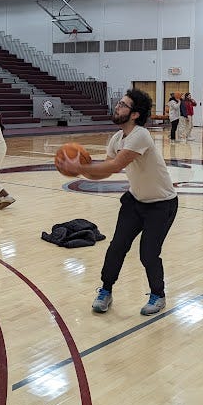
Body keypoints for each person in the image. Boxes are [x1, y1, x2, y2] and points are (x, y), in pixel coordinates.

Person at [57, 88, 178, 317]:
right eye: (118, 103)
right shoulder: (116, 138)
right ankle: (105, 291)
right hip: (135, 201)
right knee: (117, 247)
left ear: (134, 114)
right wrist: (79, 171)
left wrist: (79, 167)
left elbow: (115, 165)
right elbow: (103, 171)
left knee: (148, 253)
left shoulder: (140, 135)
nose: (117, 107)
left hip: (162, 204)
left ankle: (158, 295)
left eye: (123, 105)